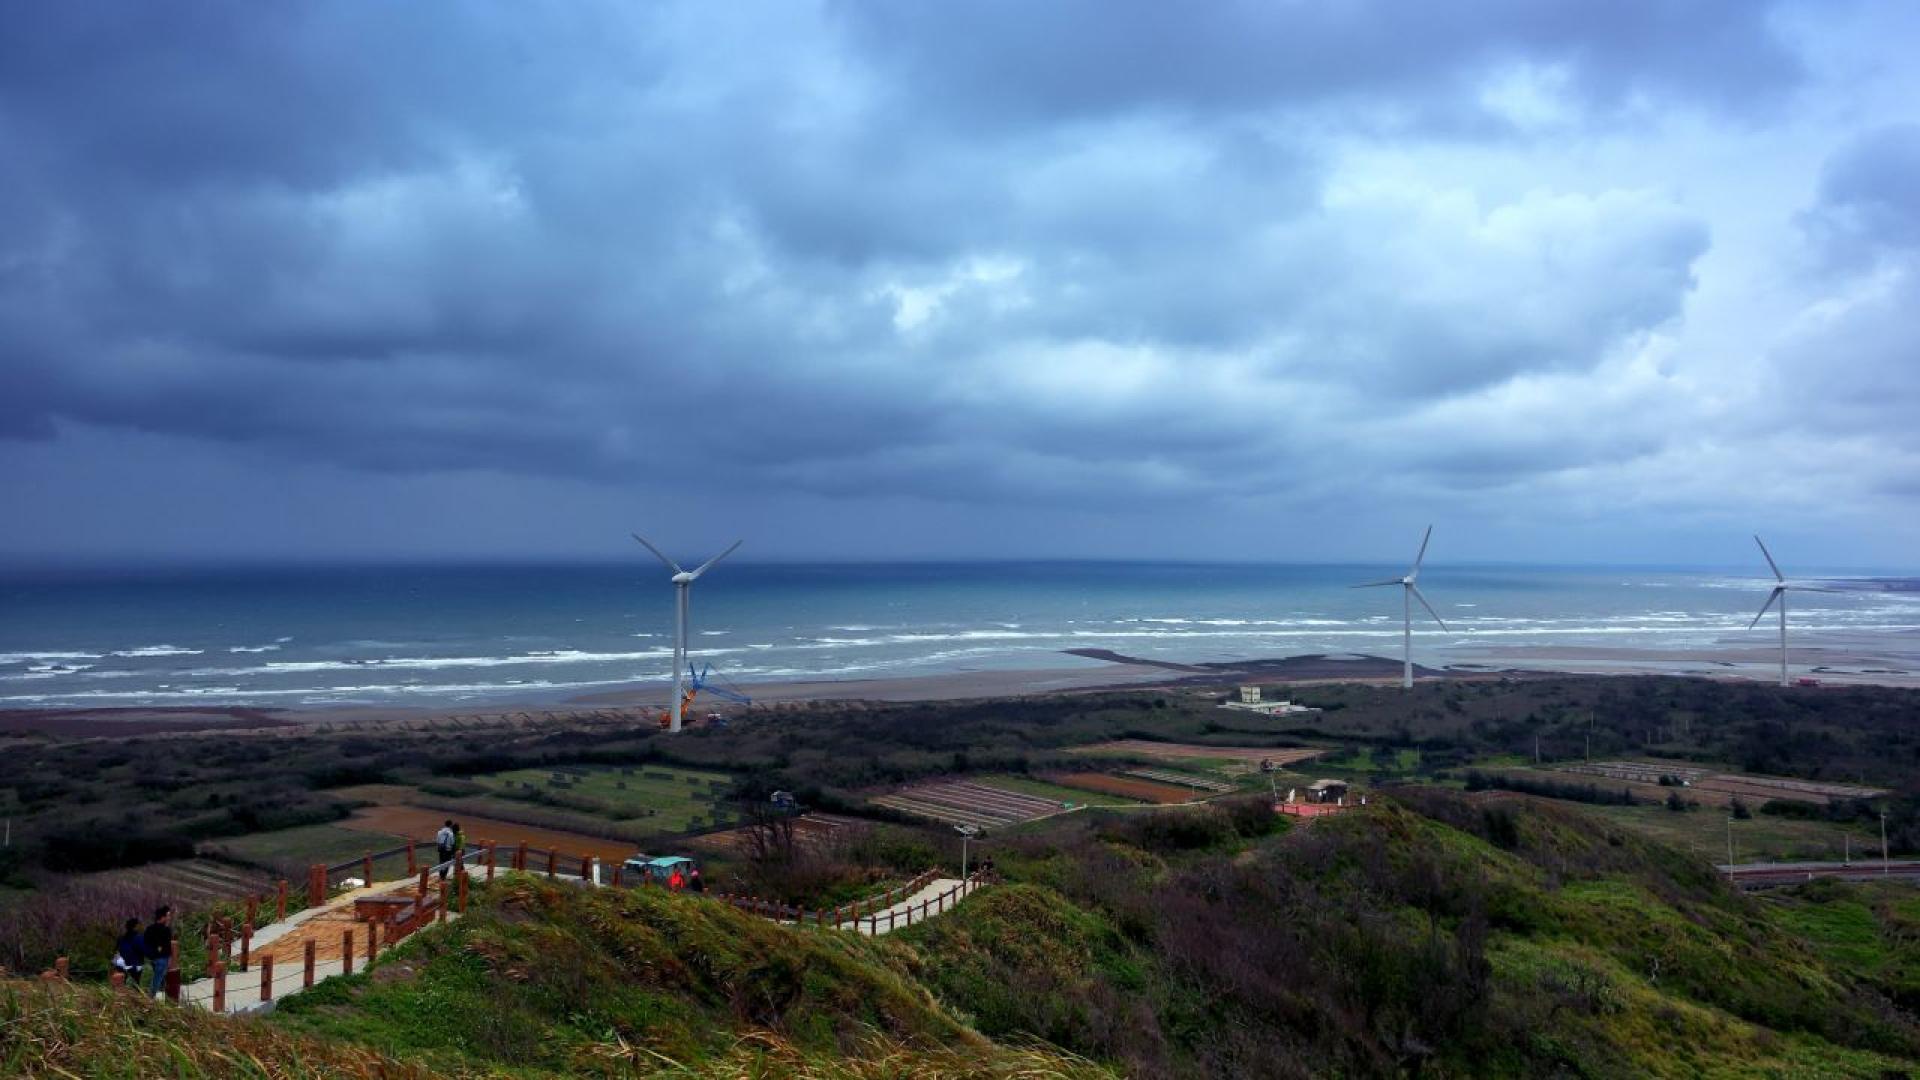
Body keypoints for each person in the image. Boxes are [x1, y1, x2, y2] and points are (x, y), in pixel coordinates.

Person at [142, 906, 173, 998]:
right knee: (157, 978)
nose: (169, 918)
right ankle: (150, 998)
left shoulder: (149, 928)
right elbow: (167, 946)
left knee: (160, 976)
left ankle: (161, 990)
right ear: (162, 917)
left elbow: (146, 942)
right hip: (162, 958)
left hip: (152, 957)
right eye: (168, 916)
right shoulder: (166, 930)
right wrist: (170, 957)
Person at [112, 917, 145, 989]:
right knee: (136, 984)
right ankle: (135, 996)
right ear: (135, 926)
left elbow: (115, 951)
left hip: (122, 965)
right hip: (136, 966)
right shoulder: (139, 938)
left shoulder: (121, 938)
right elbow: (143, 950)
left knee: (121, 985)